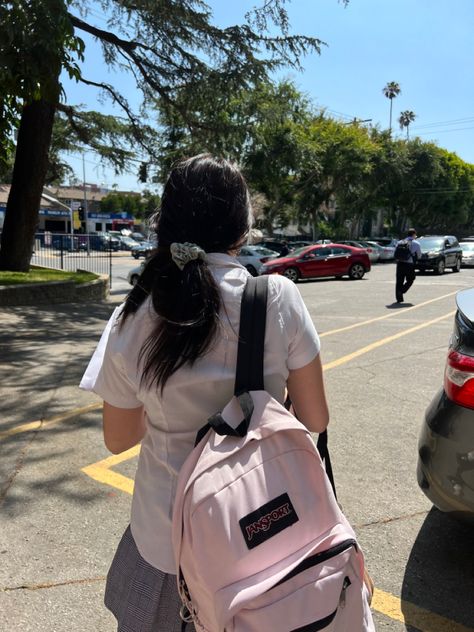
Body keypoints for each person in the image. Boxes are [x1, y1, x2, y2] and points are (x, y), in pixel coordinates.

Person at [81, 154, 329, 632]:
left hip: (166, 543)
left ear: (164, 225)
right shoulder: (277, 298)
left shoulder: (134, 315)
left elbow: (118, 439)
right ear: (241, 230)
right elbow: (315, 419)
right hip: (264, 533)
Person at [395, 227, 422, 303]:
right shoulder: (416, 243)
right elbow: (419, 255)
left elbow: (396, 252)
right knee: (411, 279)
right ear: (414, 234)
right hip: (409, 264)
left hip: (400, 264)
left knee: (399, 281)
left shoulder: (400, 242)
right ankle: (402, 290)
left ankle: (399, 298)